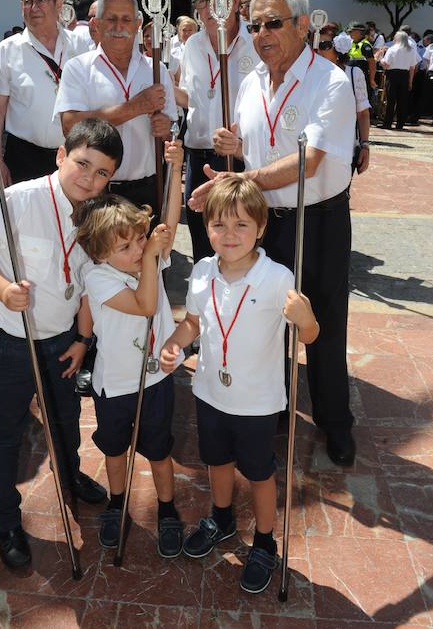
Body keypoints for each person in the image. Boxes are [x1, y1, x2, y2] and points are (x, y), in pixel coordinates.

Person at [190, 0, 357, 467]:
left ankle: (334, 422)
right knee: (264, 315)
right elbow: (251, 147)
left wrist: (238, 176)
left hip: (319, 221)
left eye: (273, 23)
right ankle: (276, 405)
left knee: (319, 321)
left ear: (303, 26)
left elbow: (307, 163)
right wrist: (231, 143)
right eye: (255, 23)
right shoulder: (249, 82)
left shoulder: (330, 82)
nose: (261, 33)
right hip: (265, 224)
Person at [0, 119, 123, 569]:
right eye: (82, 164)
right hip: (11, 340)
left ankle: (69, 473)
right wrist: (4, 289)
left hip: (63, 339)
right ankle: (5, 518)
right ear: (60, 156)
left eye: (102, 173)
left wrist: (84, 339)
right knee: (5, 430)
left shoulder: (97, 213)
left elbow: (88, 281)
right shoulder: (20, 200)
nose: (89, 179)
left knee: (66, 416)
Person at [160, 176, 319, 594]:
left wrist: (305, 319)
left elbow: (310, 336)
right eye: (219, 225)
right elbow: (194, 322)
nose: (229, 236)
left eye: (241, 225)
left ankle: (265, 540)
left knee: (260, 471)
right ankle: (223, 517)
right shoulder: (201, 270)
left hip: (258, 400)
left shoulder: (277, 277)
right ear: (206, 226)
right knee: (217, 460)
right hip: (210, 391)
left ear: (261, 228)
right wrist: (174, 344)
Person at [75, 139, 184, 557]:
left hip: (155, 378)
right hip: (115, 384)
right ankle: (118, 503)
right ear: (102, 252)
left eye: (140, 240)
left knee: (159, 451)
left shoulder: (148, 260)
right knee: (116, 451)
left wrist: (175, 174)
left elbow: (168, 225)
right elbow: (144, 305)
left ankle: (168, 508)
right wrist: (153, 258)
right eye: (126, 247)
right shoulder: (100, 278)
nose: (139, 250)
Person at [55, 0, 176, 213]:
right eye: (111, 19)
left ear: (137, 24)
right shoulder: (78, 68)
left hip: (147, 189)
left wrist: (167, 129)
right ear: (97, 24)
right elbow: (70, 125)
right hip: (94, 190)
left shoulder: (155, 69)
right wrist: (135, 107)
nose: (119, 27)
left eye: (126, 19)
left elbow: (171, 130)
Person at [178, 0, 259, 263]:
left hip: (239, 160)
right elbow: (192, 97)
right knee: (203, 246)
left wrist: (242, 147)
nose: (210, 7)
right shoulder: (193, 45)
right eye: (201, 0)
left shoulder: (257, 47)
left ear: (236, 0)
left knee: (241, 247)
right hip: (198, 158)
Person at [0, 0, 90, 187]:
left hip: (76, 156)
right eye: (27, 1)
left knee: (74, 219)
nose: (33, 8)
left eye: (41, 0)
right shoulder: (8, 49)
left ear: (58, 5)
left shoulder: (81, 46)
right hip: (25, 158)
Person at [316, 30, 371, 173]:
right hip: (315, 148)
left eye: (324, 45)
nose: (317, 49)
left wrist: (365, 145)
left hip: (344, 149)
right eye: (315, 44)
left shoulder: (354, 74)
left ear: (337, 50)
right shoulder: (310, 74)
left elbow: (363, 113)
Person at [380, 29, 419, 130]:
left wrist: (381, 59)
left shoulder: (392, 49)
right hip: (405, 75)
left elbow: (386, 65)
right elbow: (412, 67)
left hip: (392, 75)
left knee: (391, 101)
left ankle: (387, 123)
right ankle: (400, 123)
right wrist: (410, 81)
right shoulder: (411, 50)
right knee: (402, 101)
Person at [347, 22, 376, 94]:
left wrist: (371, 79)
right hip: (351, 76)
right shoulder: (351, 43)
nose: (349, 34)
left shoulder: (365, 45)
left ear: (358, 32)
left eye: (351, 32)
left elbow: (372, 63)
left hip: (361, 78)